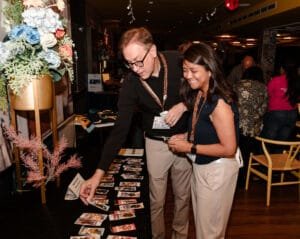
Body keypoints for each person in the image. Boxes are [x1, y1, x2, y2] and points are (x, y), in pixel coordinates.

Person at [80, 27, 192, 239]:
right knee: (156, 200)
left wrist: (184, 105)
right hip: (156, 142)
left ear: (153, 51)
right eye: (129, 63)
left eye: (138, 61)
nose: (135, 68)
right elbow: (120, 130)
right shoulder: (131, 83)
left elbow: (204, 88)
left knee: (182, 198)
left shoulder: (178, 62)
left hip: (184, 140)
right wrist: (98, 174)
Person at [167, 43, 240, 239]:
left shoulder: (220, 103)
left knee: (210, 233)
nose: (188, 75)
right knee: (203, 227)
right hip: (203, 167)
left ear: (210, 70)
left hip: (217, 170)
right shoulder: (200, 93)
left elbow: (229, 148)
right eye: (185, 70)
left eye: (193, 70)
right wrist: (187, 137)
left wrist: (189, 146)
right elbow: (206, 128)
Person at [234, 66, 268, 185]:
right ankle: (243, 180)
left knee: (234, 152)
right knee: (246, 153)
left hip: (236, 125)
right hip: (252, 128)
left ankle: (233, 178)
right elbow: (263, 109)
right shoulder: (263, 88)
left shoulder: (237, 85)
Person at [260, 57, 299, 142]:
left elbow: (267, 95)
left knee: (267, 141)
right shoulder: (297, 82)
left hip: (276, 114)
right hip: (292, 114)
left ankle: (265, 155)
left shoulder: (276, 80)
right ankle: (278, 155)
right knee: (282, 142)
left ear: (282, 69)